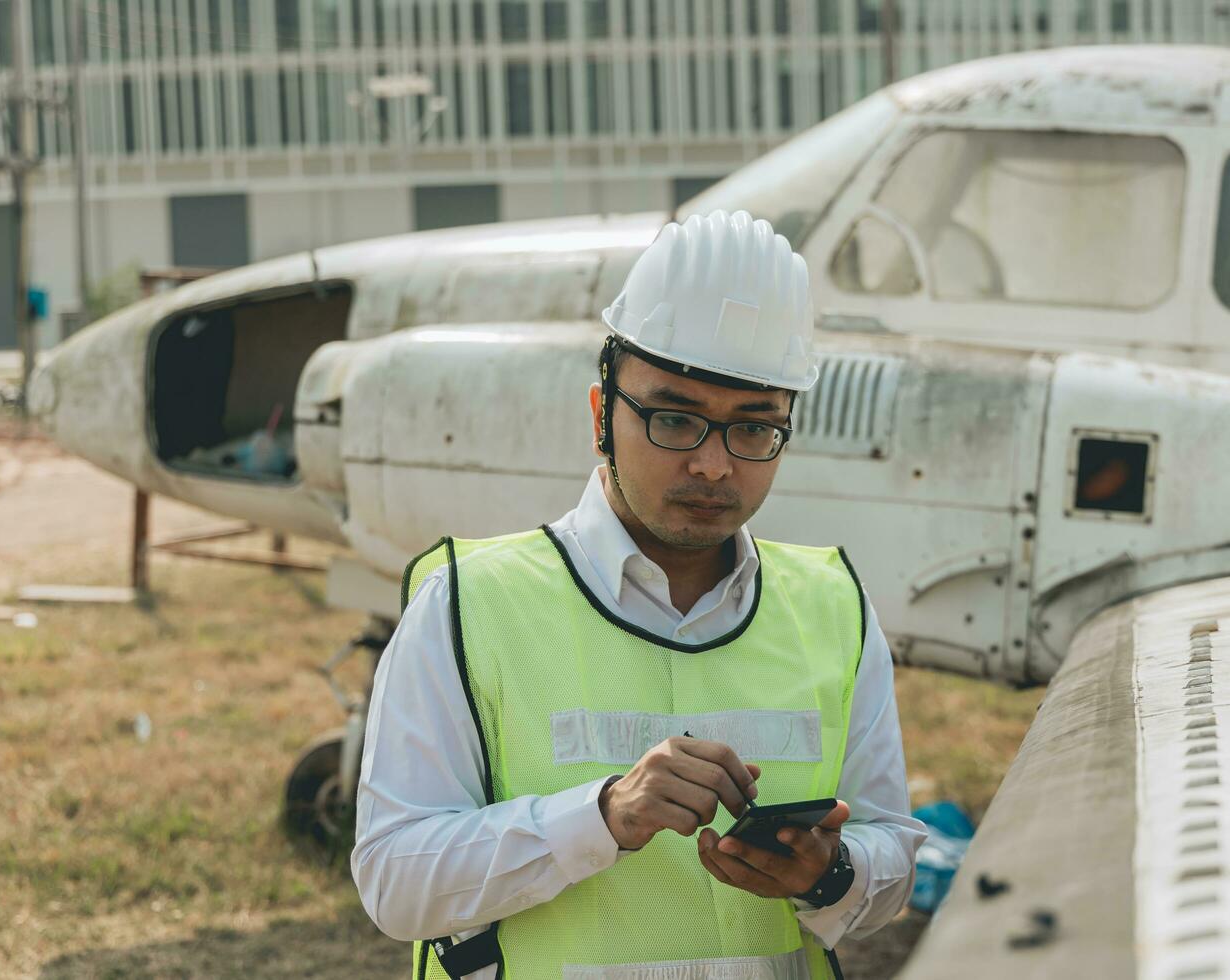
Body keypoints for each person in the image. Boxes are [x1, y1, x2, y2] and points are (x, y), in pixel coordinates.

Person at [352, 209, 927, 980]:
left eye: (753, 429)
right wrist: (600, 818)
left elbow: (891, 858)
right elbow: (395, 881)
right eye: (674, 418)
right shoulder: (468, 605)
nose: (715, 466)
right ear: (601, 417)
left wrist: (830, 873)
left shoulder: (833, 608)